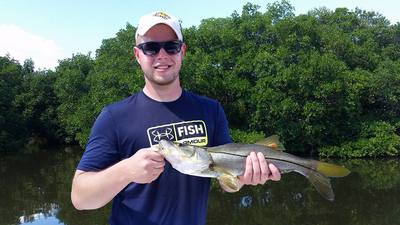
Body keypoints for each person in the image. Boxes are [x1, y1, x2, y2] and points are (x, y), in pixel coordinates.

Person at [71, 11, 281, 225]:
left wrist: (242, 178)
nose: (162, 55)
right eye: (151, 48)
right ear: (137, 55)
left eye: (171, 46)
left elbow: (226, 182)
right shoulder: (114, 117)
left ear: (182, 51)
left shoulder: (210, 109)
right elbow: (80, 198)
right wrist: (126, 171)